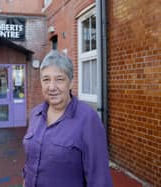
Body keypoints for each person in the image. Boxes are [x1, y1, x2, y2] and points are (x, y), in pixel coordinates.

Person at [22, 50, 113, 187]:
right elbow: (30, 163)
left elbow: (99, 179)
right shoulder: (35, 114)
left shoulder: (88, 120)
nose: (52, 87)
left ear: (71, 83)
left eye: (59, 79)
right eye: (46, 79)